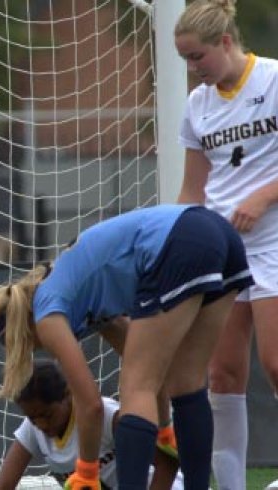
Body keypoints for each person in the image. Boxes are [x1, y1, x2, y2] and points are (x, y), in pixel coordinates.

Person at [0, 204, 253, 490]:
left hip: (176, 242)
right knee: (187, 383)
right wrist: (163, 429)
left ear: (21, 332)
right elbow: (154, 371)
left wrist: (86, 470)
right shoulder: (81, 299)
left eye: (29, 346)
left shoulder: (46, 314)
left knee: (135, 387)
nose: (40, 350)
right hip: (218, 233)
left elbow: (91, 405)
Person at [174, 2, 278, 489]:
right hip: (221, 251)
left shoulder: (274, 79)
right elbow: (193, 190)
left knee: (276, 363)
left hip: (273, 243)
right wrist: (176, 243)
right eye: (185, 61)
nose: (193, 70)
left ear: (225, 42)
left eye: (197, 57)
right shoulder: (198, 105)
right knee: (222, 375)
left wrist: (263, 195)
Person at [0, 360, 183, 490]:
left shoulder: (107, 417)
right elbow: (4, 486)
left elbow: (168, 462)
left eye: (47, 415)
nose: (41, 424)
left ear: (68, 395)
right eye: (33, 418)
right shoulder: (33, 428)